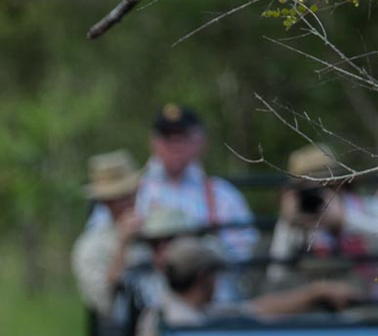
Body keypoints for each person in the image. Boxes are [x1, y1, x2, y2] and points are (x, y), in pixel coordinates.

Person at [134, 233, 359, 336]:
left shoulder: (186, 312)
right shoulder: (177, 324)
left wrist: (315, 292)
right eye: (214, 275)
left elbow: (256, 309)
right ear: (204, 277)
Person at [86, 104, 262, 272]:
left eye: (183, 136)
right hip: (147, 294)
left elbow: (245, 251)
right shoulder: (127, 194)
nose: (175, 144)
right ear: (153, 142)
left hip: (210, 293)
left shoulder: (223, 194)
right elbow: (97, 247)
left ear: (201, 141)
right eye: (167, 137)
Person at [266, 143, 378, 279]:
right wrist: (288, 225)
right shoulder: (295, 223)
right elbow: (275, 275)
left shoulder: (371, 208)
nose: (318, 194)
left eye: (327, 184)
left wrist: (345, 221)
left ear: (341, 183)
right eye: (307, 189)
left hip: (371, 300)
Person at [70, 151, 150, 314]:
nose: (125, 202)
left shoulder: (156, 229)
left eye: (128, 194)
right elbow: (102, 301)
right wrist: (123, 244)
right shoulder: (90, 246)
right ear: (104, 202)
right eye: (116, 197)